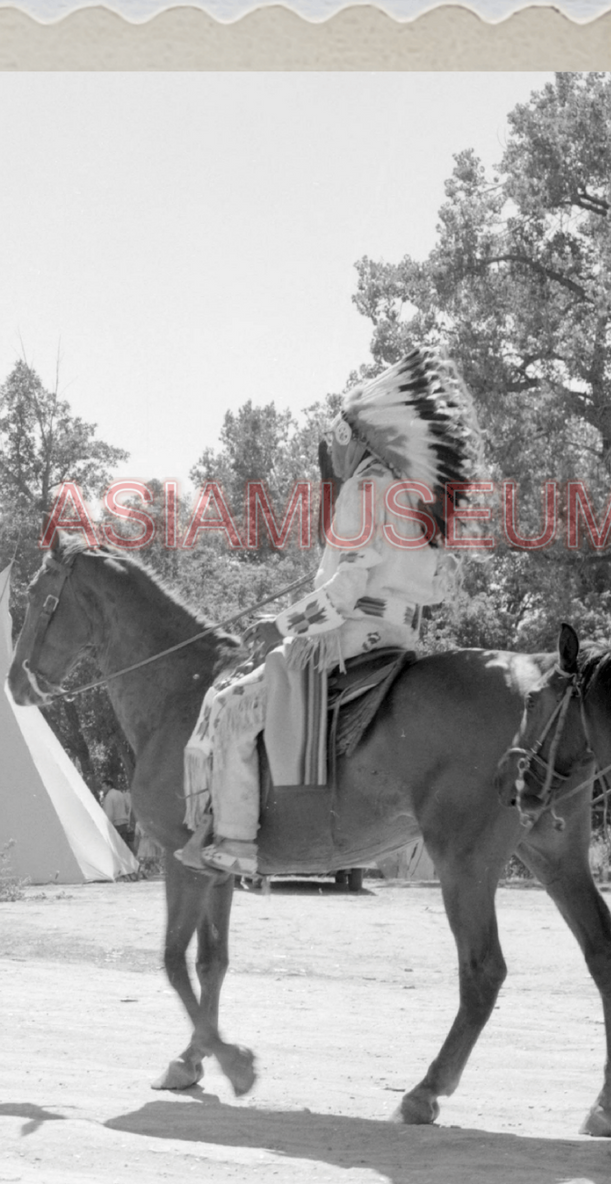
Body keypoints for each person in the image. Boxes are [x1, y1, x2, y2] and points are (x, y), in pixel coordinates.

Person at [178, 348, 484, 876]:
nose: (331, 460)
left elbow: (343, 594)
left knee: (228, 705)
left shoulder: (363, 489)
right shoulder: (416, 495)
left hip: (351, 638)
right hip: (401, 641)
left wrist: (277, 624)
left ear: (350, 440)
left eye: (332, 445)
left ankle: (234, 842)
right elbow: (438, 586)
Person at [101, 782, 134, 851]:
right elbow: (128, 807)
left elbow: (109, 813)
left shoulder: (109, 796)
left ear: (109, 786)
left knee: (119, 847)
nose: (102, 788)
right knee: (125, 845)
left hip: (116, 824)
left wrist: (107, 826)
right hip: (124, 823)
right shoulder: (120, 794)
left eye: (104, 786)